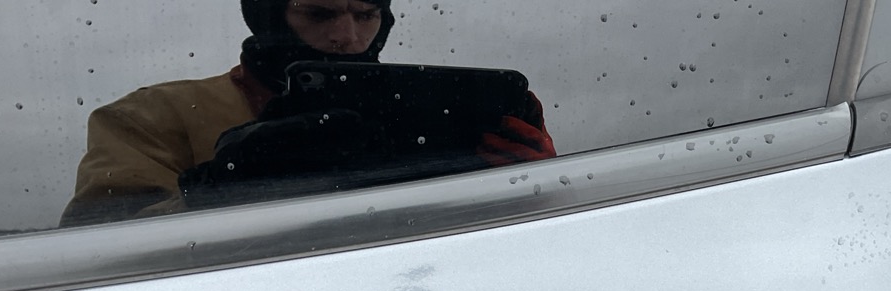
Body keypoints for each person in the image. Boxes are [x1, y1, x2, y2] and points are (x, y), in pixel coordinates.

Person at [61, 0, 556, 226]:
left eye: (366, 14)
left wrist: (536, 184)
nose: (347, 36)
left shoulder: (437, 107)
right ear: (270, 15)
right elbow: (94, 251)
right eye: (319, 13)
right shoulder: (150, 115)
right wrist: (217, 192)